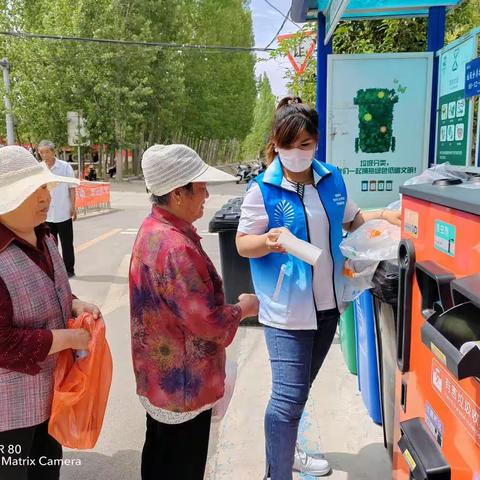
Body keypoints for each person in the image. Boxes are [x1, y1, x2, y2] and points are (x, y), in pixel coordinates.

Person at [236, 97, 401, 480]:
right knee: (287, 398)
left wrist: (383, 216)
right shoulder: (262, 189)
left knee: (297, 393)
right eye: (287, 145)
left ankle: (287, 451)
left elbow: (351, 219)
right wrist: (268, 242)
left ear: (316, 143)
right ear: (275, 144)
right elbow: (243, 243)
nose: (296, 153)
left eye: (305, 144)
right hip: (285, 312)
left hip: (328, 309)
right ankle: (277, 473)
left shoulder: (331, 179)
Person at [129, 144, 259, 480]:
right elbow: (209, 323)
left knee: (158, 457)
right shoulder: (177, 248)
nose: (205, 194)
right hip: (182, 390)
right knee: (180, 464)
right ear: (176, 193)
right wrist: (243, 308)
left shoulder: (152, 230)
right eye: (199, 187)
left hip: (160, 383)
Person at [0, 146, 102, 480]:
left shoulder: (44, 235)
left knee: (47, 467)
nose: (45, 197)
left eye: (44, 187)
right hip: (9, 410)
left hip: (52, 394)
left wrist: (74, 303)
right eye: (34, 191)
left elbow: (51, 287)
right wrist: (68, 338)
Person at [37, 140, 77, 278]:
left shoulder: (65, 167)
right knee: (49, 246)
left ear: (53, 152)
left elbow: (72, 188)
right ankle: (53, 271)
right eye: (41, 152)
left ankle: (69, 270)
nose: (44, 155)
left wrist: (73, 206)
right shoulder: (39, 169)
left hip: (63, 212)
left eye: (47, 151)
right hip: (47, 214)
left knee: (67, 244)